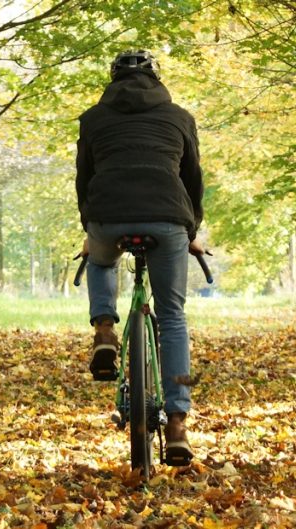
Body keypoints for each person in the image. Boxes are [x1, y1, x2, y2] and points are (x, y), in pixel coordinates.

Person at [75, 50, 204, 466]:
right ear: (157, 79)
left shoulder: (92, 119)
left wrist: (90, 228)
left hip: (107, 217)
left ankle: (105, 330)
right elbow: (192, 180)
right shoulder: (180, 117)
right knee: (172, 317)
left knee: (101, 262)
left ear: (111, 80)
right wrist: (191, 231)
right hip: (168, 218)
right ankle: (179, 423)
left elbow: (85, 179)